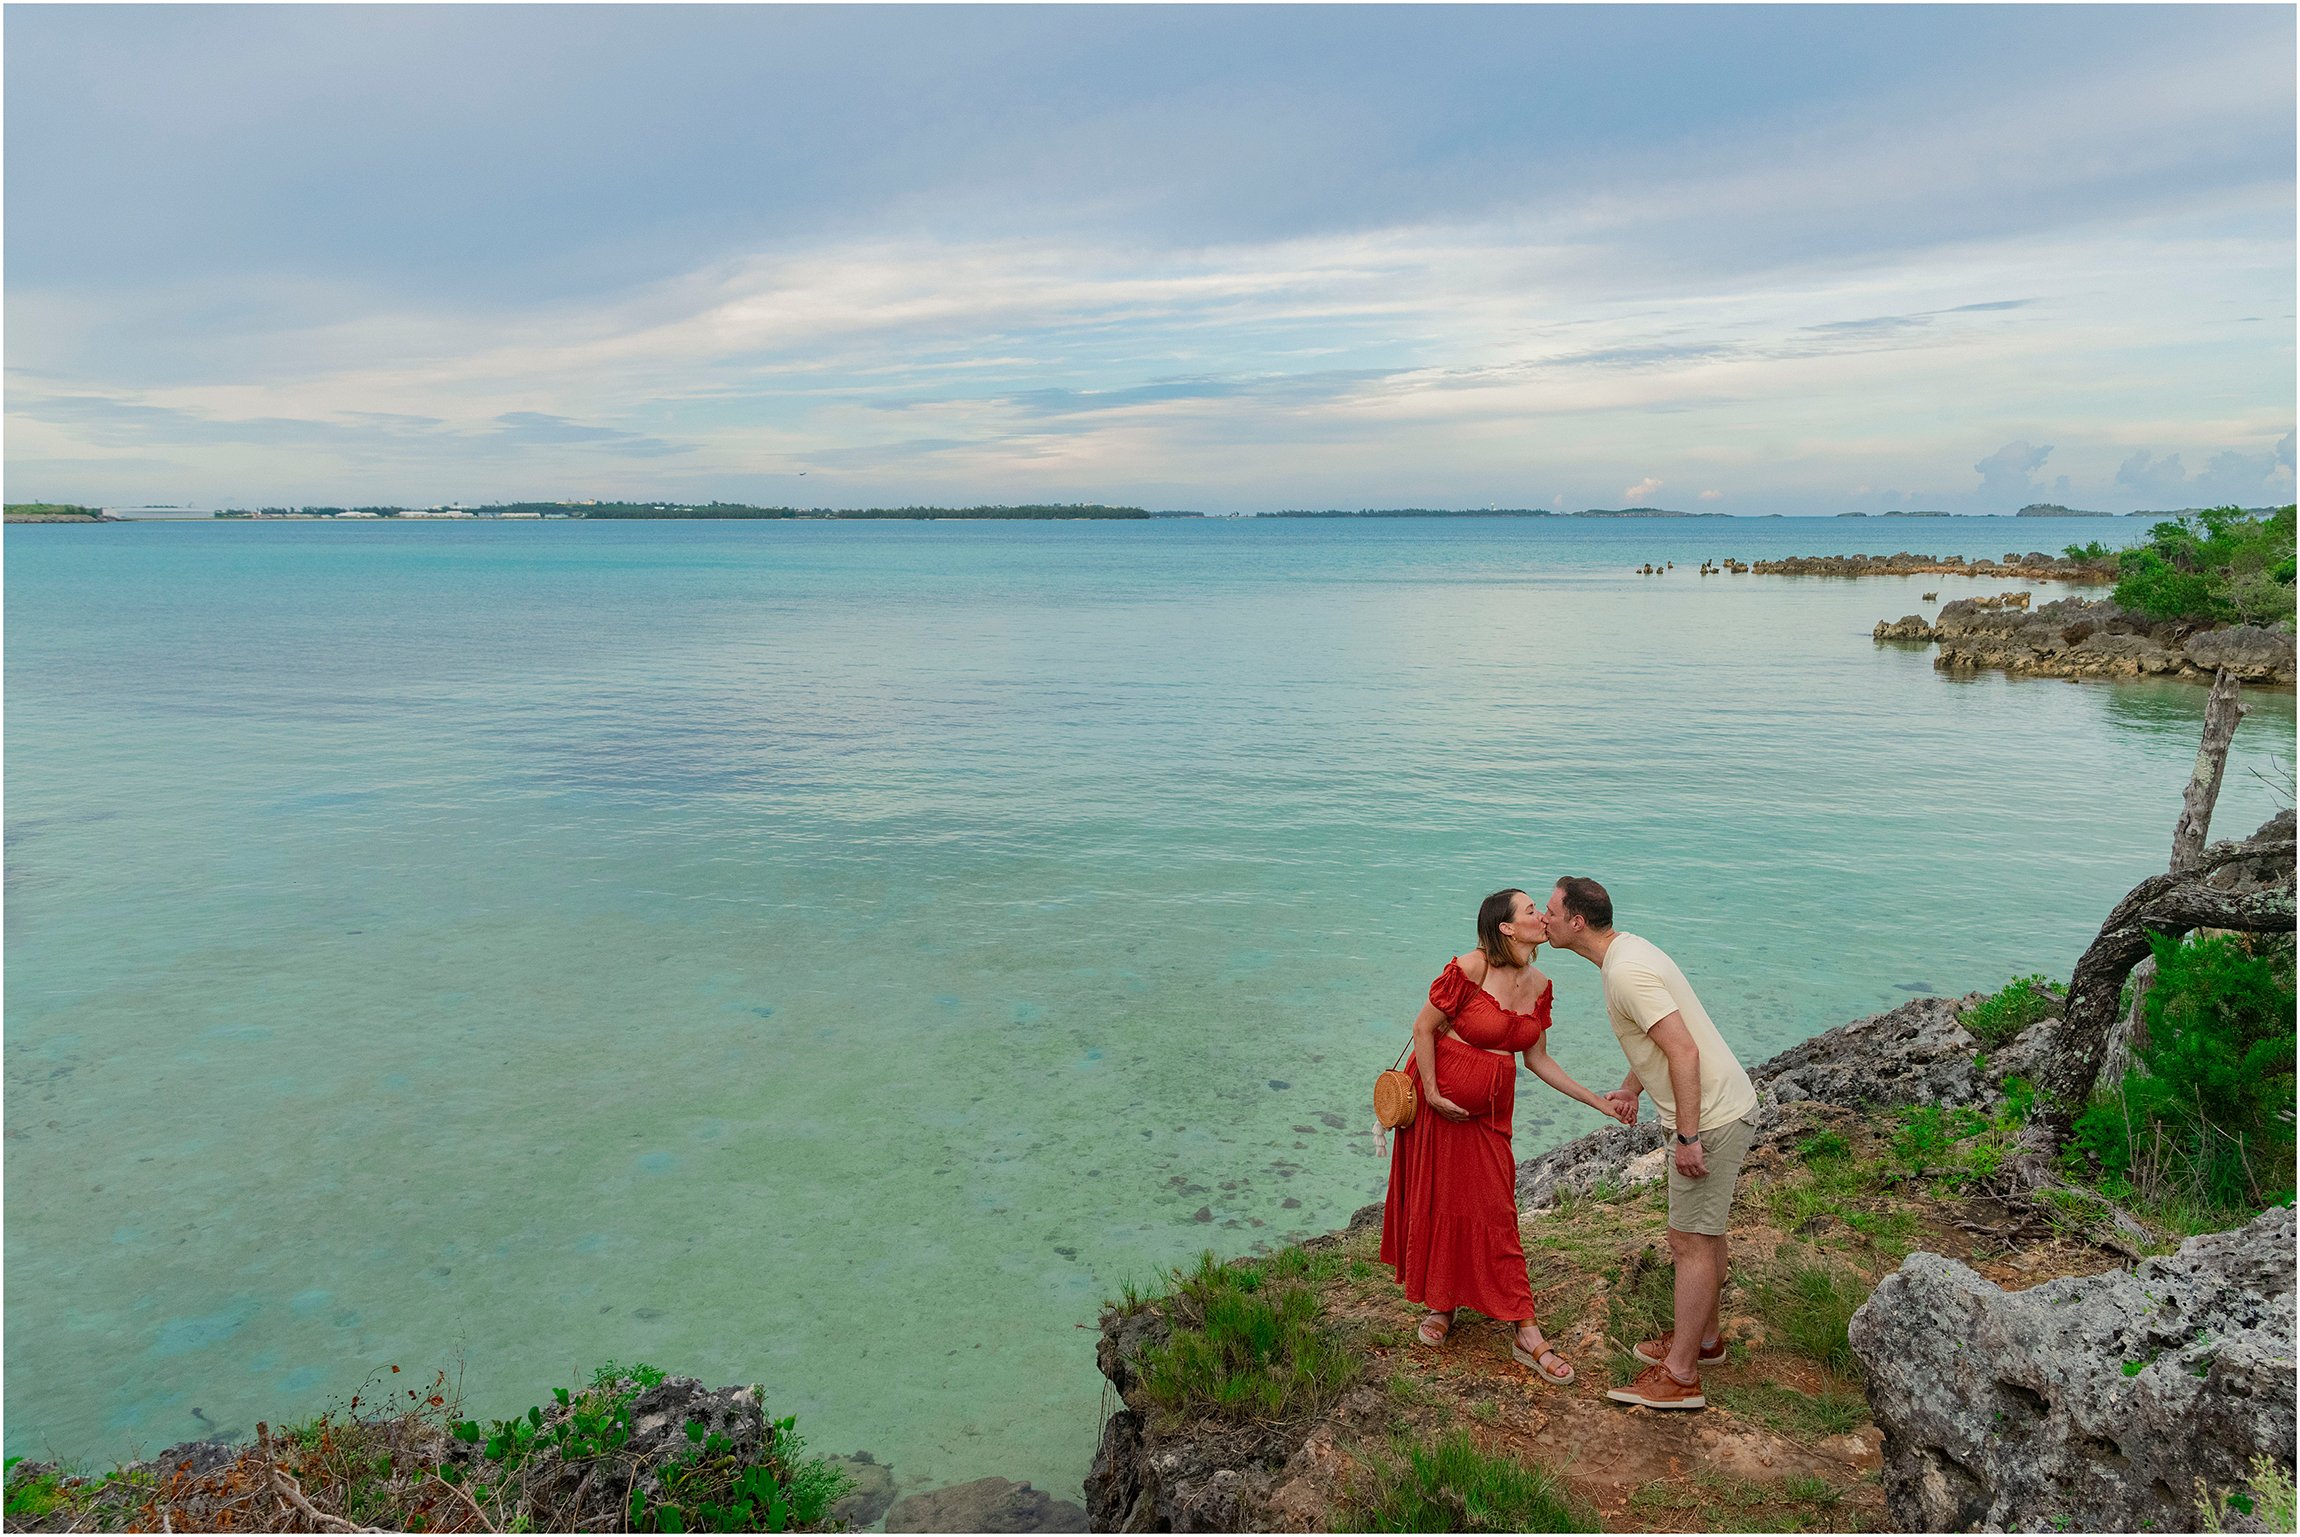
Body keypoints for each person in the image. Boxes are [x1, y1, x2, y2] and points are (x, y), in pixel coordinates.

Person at [1380, 887, 1632, 1384]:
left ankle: (1524, 1327)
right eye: (1531, 910)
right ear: (1507, 928)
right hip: (1438, 1108)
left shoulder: (1539, 984)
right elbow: (1424, 1027)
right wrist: (1430, 1092)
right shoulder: (1471, 969)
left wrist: (1597, 1100)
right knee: (1440, 1201)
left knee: (1496, 1211)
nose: (1542, 915)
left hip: (1491, 1117)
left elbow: (1538, 1060)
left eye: (1542, 908)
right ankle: (1442, 1307)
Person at [1540, 876, 1758, 1411]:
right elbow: (1658, 1040)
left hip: (1709, 1117)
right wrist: (1634, 1086)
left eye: (1549, 911)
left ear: (1576, 922)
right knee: (1705, 1233)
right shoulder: (1627, 953)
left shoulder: (1626, 973)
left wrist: (1687, 1136)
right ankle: (1703, 1343)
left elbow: (1683, 1052)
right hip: (1719, 1107)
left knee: (1689, 1242)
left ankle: (1681, 1375)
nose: (1542, 920)